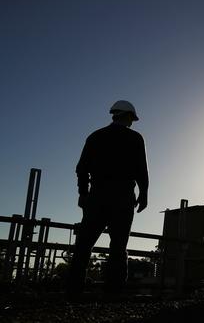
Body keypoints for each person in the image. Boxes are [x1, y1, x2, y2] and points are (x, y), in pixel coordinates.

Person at [67, 100, 149, 298]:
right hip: (122, 198)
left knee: (84, 246)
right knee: (118, 247)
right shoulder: (135, 138)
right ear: (128, 116)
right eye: (132, 119)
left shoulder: (95, 137)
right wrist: (144, 194)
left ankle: (73, 293)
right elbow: (141, 170)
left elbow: (82, 168)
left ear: (114, 115)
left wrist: (83, 193)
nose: (132, 123)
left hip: (97, 197)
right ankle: (112, 294)